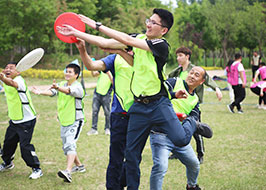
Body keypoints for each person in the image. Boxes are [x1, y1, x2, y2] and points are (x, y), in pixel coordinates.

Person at [57, 9, 212, 190]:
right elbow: (106, 43)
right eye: (149, 20)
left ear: (164, 30)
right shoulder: (138, 40)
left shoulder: (161, 45)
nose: (149, 24)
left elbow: (127, 41)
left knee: (180, 139)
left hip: (159, 104)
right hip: (138, 108)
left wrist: (94, 25)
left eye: (154, 23)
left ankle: (192, 122)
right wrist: (79, 35)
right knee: (131, 156)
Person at [75, 38, 134, 189]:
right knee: (116, 158)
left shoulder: (146, 59)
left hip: (140, 116)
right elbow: (92, 65)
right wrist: (82, 49)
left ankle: (121, 183)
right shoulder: (115, 58)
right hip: (119, 114)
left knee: (134, 158)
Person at [150, 66, 210, 190]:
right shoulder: (174, 82)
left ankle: (191, 186)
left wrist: (188, 119)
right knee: (160, 167)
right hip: (161, 135)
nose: (192, 76)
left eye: (197, 75)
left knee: (194, 164)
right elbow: (159, 95)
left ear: (202, 81)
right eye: (191, 73)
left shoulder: (195, 99)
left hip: (179, 137)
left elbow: (194, 117)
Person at [31, 61, 86, 183]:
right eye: (66, 71)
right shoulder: (61, 84)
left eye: (70, 72)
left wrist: (58, 87)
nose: (67, 73)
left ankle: (68, 171)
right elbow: (53, 92)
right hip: (64, 119)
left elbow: (67, 91)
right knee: (67, 145)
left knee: (70, 144)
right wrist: (40, 92)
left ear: (76, 75)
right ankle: (80, 166)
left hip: (75, 120)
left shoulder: (78, 87)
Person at [168, 47, 222, 164]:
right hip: (177, 108)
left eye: (180, 55)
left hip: (191, 106)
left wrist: (217, 88)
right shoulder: (177, 72)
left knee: (196, 131)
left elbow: (207, 79)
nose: (178, 58)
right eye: (177, 56)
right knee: (175, 130)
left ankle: (200, 153)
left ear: (187, 56)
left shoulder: (195, 70)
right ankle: (176, 152)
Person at [0, 62, 43, 179]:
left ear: (18, 72)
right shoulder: (5, 79)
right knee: (8, 144)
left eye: (11, 68)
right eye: (6, 67)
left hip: (26, 121)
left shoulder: (19, 80)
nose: (7, 69)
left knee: (25, 147)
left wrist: (2, 77)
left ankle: (37, 168)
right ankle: (8, 163)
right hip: (14, 120)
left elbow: (11, 83)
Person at [87, 70, 112, 135]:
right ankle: (94, 129)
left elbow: (113, 82)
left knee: (107, 113)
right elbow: (94, 74)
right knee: (95, 112)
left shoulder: (113, 71)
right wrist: (91, 70)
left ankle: (107, 128)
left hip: (106, 95)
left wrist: (109, 73)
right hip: (97, 94)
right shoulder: (102, 70)